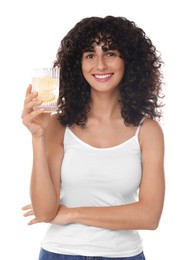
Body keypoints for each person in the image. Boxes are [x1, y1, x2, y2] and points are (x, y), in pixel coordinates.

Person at [22, 15, 165, 260]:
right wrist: (38, 137)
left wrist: (72, 213)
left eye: (109, 53)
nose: (99, 65)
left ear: (127, 60)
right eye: (90, 55)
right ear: (78, 64)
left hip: (124, 255)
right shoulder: (59, 126)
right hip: (60, 253)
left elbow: (150, 216)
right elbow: (45, 212)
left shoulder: (148, 131)